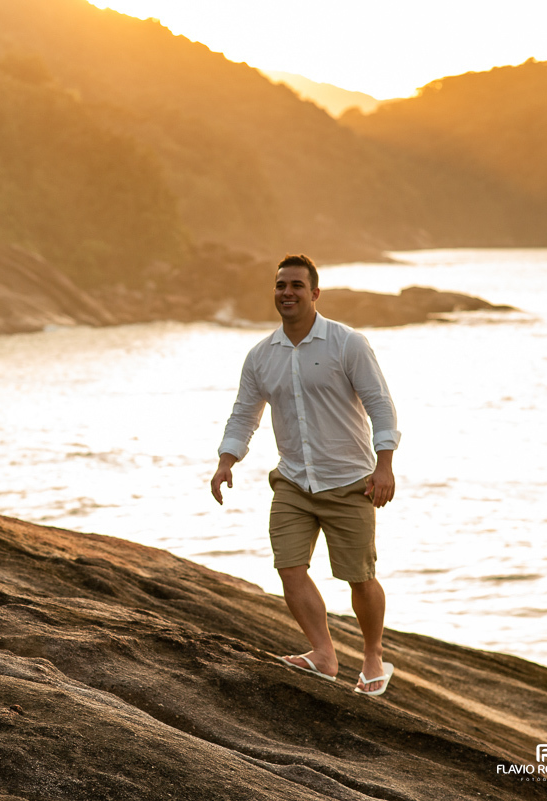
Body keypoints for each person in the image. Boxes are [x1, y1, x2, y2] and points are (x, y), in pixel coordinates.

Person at [210, 254, 399, 696]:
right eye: (281, 286)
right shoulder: (260, 356)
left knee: (360, 576)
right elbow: (244, 415)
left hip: (350, 481)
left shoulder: (347, 343)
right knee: (289, 568)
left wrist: (385, 463)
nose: (287, 293)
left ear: (314, 293)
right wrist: (226, 460)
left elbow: (380, 404)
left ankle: (373, 656)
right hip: (293, 481)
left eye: (296, 285)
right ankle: (323, 654)